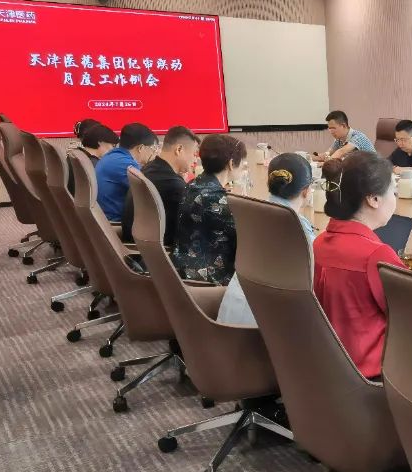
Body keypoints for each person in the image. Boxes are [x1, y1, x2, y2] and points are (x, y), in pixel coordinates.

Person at [312, 151, 406, 379]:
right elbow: (411, 316)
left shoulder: (320, 242)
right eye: (393, 192)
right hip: (369, 375)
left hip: (325, 368)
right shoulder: (376, 255)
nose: (395, 199)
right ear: (373, 199)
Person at [218, 153, 317, 326]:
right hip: (264, 331)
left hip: (230, 315)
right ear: (306, 191)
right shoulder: (298, 230)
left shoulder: (250, 212)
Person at [173, 134, 248, 285]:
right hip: (208, 278)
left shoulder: (193, 184)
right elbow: (247, 240)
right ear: (231, 164)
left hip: (181, 266)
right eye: (244, 164)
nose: (245, 168)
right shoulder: (217, 200)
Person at [119, 126, 201, 245]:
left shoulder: (149, 169)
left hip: (138, 246)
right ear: (179, 149)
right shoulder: (172, 184)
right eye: (194, 154)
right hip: (159, 251)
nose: (195, 160)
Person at [94, 123, 158, 221]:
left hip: (103, 218)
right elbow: (152, 195)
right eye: (152, 149)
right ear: (140, 148)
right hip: (115, 222)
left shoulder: (113, 156)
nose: (153, 153)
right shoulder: (127, 165)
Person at [68, 122, 118, 195]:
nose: (113, 150)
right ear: (101, 142)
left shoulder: (74, 155)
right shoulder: (96, 166)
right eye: (113, 146)